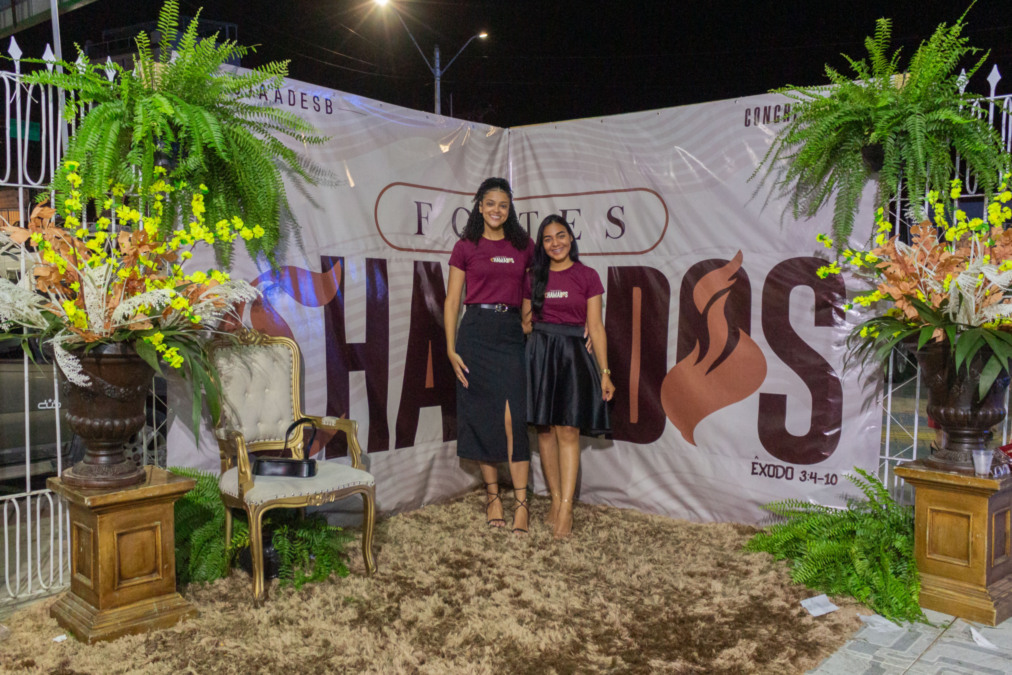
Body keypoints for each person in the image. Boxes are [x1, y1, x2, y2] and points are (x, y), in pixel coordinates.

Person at [445, 177, 535, 533]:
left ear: (509, 209)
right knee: (483, 416)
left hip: (509, 334)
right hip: (475, 333)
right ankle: (493, 496)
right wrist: (450, 348)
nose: (497, 210)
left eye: (503, 204)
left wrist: (528, 322)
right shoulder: (465, 246)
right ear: (480, 206)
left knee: (514, 419)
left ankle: (522, 503)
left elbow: (533, 289)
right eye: (491, 203)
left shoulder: (524, 246)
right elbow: (453, 301)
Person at [522, 214, 615, 538]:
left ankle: (566, 508)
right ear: (542, 245)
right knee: (545, 431)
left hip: (573, 357)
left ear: (571, 238)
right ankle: (554, 498)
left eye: (560, 235)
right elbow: (525, 324)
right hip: (540, 355)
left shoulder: (587, 276)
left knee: (568, 431)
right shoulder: (533, 277)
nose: (555, 243)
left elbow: (597, 327)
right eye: (547, 239)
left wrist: (605, 373)